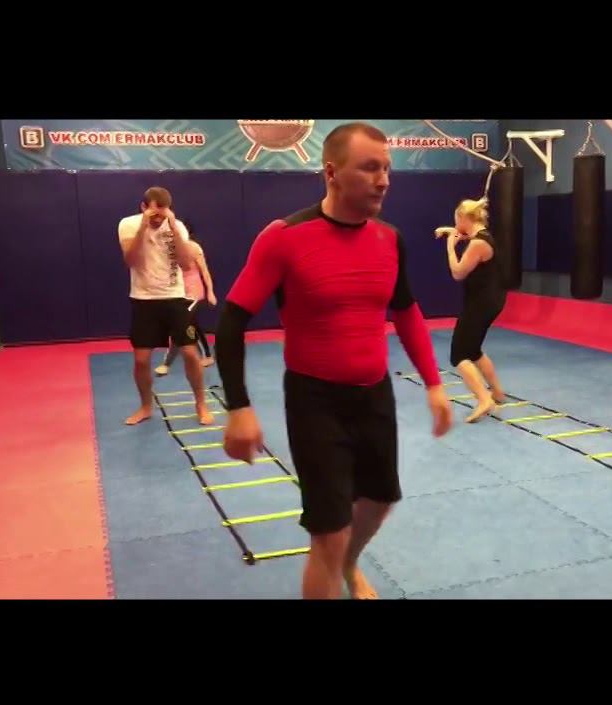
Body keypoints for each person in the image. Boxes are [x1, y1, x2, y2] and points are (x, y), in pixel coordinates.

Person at [215, 122, 454, 600]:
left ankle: (349, 563)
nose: (383, 180)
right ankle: (337, 558)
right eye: (369, 168)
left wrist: (433, 383)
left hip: (375, 394)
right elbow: (231, 322)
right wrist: (238, 407)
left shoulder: (389, 239)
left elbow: (406, 311)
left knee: (380, 501)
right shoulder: (284, 237)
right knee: (329, 532)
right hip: (315, 401)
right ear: (331, 172)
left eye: (387, 168)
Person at [117, 187, 213, 426]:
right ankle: (145, 406)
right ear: (143, 207)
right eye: (154, 214)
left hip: (175, 297)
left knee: (190, 353)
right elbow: (130, 261)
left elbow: (185, 263)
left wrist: (174, 230)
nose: (158, 219)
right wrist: (144, 227)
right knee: (141, 360)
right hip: (143, 298)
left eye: (163, 213)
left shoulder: (176, 226)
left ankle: (201, 404)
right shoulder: (128, 225)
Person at [434, 197, 508, 422]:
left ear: (464, 218)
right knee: (474, 350)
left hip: (481, 303)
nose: (456, 225)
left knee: (459, 355)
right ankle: (498, 392)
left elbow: (458, 272)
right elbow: (463, 234)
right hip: (489, 300)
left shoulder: (477, 245)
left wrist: (450, 246)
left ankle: (484, 399)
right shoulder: (483, 235)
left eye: (456, 220)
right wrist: (449, 231)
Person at [156, 219, 217, 375]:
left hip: (194, 292)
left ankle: (167, 363)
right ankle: (207, 355)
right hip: (179, 293)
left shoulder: (193, 248)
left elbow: (204, 271)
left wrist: (210, 292)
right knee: (191, 325)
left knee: (181, 325)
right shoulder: (169, 249)